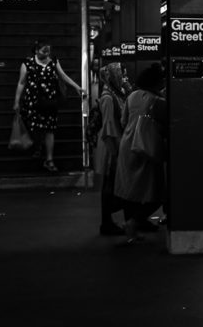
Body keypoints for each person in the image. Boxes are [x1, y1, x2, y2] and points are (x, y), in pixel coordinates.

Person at [13, 40, 86, 172]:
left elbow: (62, 75)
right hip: (33, 102)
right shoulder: (27, 63)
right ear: (36, 50)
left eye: (48, 51)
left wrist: (77, 87)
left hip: (50, 101)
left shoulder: (53, 61)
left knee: (50, 129)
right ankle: (38, 145)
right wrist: (16, 101)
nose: (46, 54)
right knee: (35, 126)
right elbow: (21, 83)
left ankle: (49, 159)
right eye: (43, 51)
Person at [114, 63, 167, 244]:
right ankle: (134, 222)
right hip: (147, 147)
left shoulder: (132, 96)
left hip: (127, 145)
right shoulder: (158, 101)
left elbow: (123, 120)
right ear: (156, 82)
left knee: (130, 189)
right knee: (157, 192)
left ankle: (132, 230)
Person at [93, 63, 128, 236]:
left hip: (113, 141)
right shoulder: (108, 97)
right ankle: (106, 222)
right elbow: (108, 126)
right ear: (113, 76)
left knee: (111, 181)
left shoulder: (114, 93)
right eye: (120, 73)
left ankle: (108, 221)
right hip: (110, 144)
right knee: (109, 182)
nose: (123, 77)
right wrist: (114, 151)